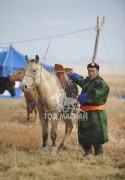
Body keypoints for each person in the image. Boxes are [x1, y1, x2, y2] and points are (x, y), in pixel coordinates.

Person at [69, 62, 110, 156]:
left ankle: (98, 154)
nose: (91, 73)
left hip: (96, 113)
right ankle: (87, 153)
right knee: (84, 132)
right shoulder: (88, 80)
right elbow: (82, 82)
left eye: (93, 71)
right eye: (89, 71)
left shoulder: (101, 83)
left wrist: (81, 97)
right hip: (84, 112)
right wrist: (74, 76)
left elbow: (95, 95)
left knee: (96, 132)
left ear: (98, 72)